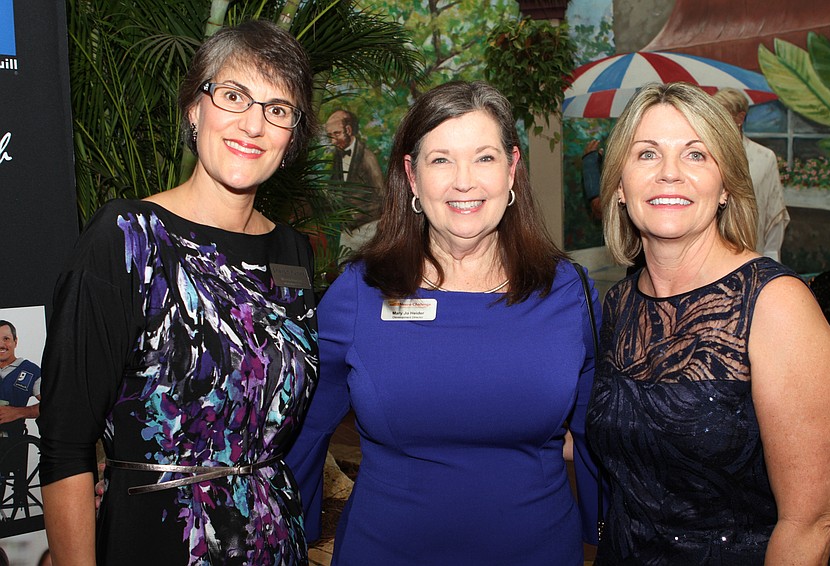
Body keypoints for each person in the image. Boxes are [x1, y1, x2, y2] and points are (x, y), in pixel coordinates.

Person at [285, 80, 602, 565]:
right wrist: (290, 536)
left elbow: (597, 436)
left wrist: (605, 532)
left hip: (537, 550)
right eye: (440, 160)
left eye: (484, 158)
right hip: (387, 551)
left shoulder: (569, 292)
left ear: (513, 168)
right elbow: (303, 427)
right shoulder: (359, 291)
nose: (464, 181)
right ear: (412, 176)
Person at [38, 20, 319, 565]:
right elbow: (66, 445)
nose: (253, 124)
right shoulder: (125, 239)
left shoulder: (293, 253)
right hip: (158, 539)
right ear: (195, 108)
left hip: (275, 541)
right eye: (234, 96)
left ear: (290, 138)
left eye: (277, 109)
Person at [586, 82, 830, 565]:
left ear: (726, 184)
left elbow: (812, 522)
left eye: (695, 155)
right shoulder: (619, 303)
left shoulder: (776, 305)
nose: (670, 174)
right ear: (619, 187)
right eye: (647, 154)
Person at [713, 87, 790, 262]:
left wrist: (771, 261)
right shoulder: (704, 154)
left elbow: (774, 210)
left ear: (739, 118)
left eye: (722, 115)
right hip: (707, 255)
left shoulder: (763, 157)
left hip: (751, 251)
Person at [325, 109, 385, 252]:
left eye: (337, 134)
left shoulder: (367, 157)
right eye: (330, 136)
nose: (333, 141)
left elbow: (382, 192)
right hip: (348, 229)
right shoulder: (338, 156)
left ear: (349, 130)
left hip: (369, 228)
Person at [0, 320, 40, 435]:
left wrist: (18, 412)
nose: (1, 344)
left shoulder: (31, 371)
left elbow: (54, 404)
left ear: (15, 341)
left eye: (6, 339)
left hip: (14, 444)